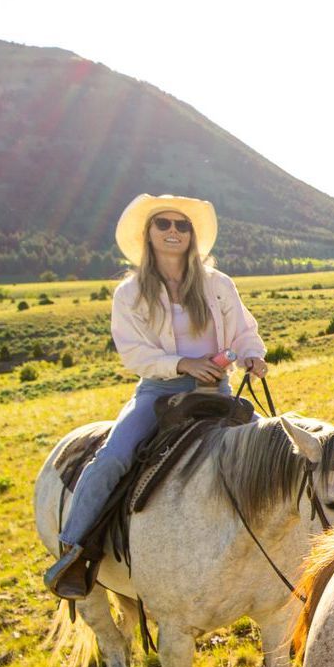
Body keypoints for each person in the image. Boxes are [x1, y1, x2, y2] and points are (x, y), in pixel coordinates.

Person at [43, 193, 269, 600]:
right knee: (112, 458)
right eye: (163, 224)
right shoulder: (130, 293)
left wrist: (252, 356)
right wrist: (182, 364)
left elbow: (242, 330)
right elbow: (134, 352)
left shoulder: (218, 285)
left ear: (192, 235)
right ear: (148, 234)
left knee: (274, 450)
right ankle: (75, 552)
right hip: (159, 393)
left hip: (215, 389)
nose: (173, 231)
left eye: (182, 225)